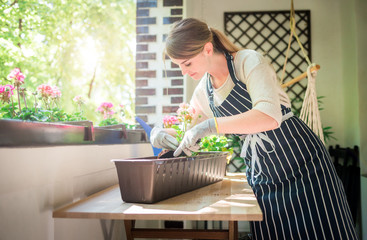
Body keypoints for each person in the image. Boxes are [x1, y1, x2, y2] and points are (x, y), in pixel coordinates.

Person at [150, 18, 358, 239]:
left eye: (187, 63)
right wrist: (160, 133)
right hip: (263, 172)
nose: (183, 72)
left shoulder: (248, 61)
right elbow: (187, 129)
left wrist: (211, 125)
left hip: (302, 163)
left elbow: (269, 115)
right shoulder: (204, 90)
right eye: (179, 66)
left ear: (207, 49)